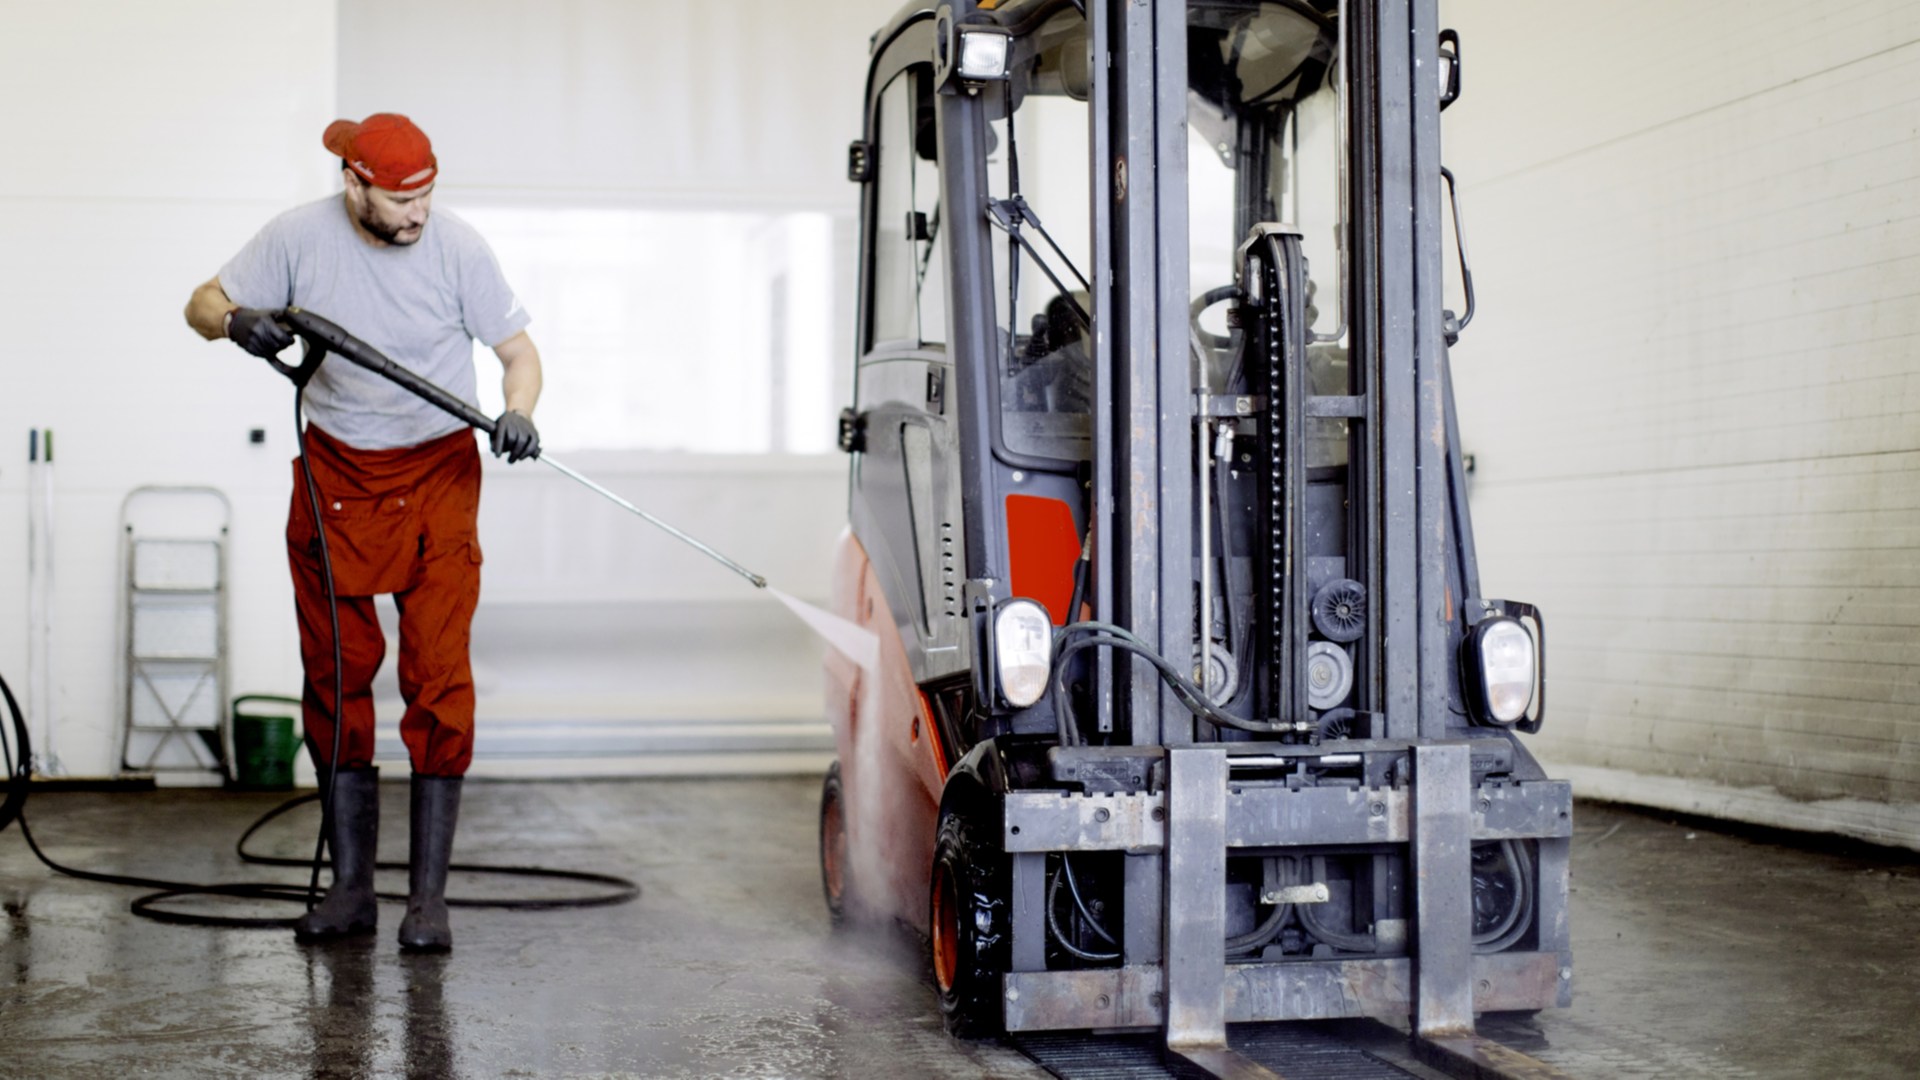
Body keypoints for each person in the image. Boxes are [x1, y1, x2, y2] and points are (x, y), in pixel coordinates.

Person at [183, 112, 542, 953]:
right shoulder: (296, 237)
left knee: (439, 676)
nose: (417, 214)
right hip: (336, 475)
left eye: (426, 195)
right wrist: (237, 324)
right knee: (336, 675)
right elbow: (201, 303)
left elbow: (519, 354)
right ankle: (351, 893)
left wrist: (519, 412)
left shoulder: (458, 249)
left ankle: (427, 902)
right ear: (354, 184)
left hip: (440, 471)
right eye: (399, 199)